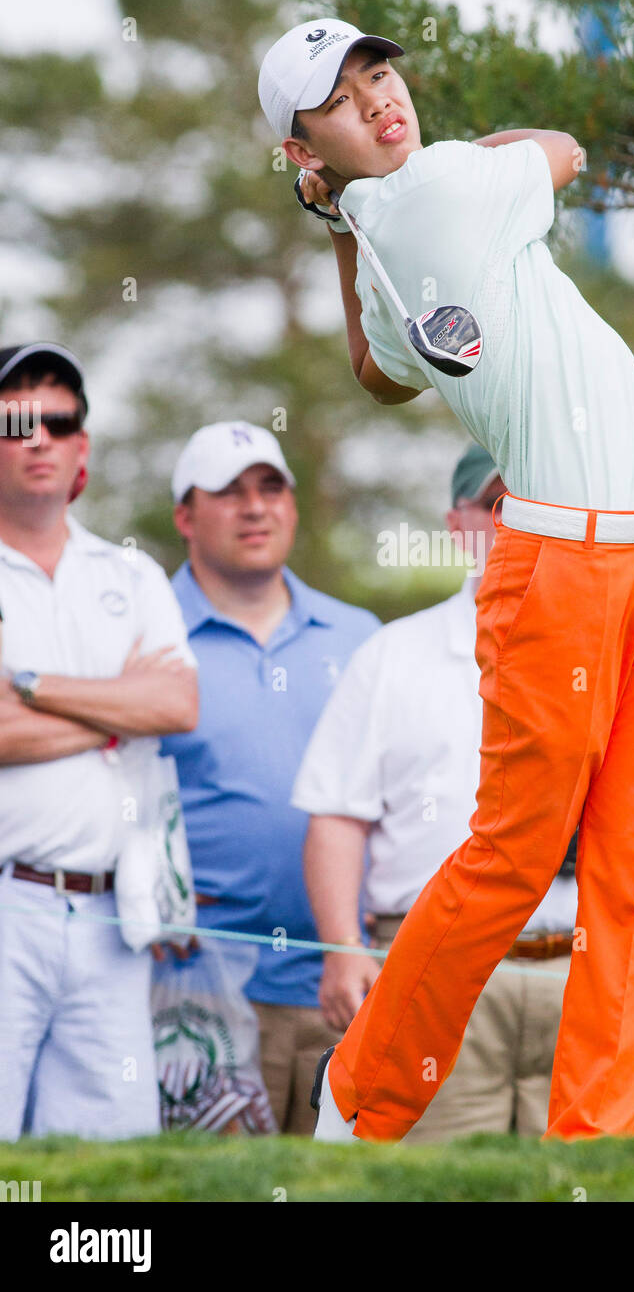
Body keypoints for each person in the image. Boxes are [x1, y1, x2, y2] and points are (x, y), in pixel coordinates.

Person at [258, 19, 634, 1141]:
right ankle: (359, 1099)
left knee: (631, 858)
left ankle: (595, 1143)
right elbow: (565, 146)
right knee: (516, 857)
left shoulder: (383, 239)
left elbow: (376, 377)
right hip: (569, 564)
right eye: (341, 97)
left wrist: (335, 220)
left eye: (380, 73)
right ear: (301, 149)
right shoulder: (442, 186)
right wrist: (404, 179)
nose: (381, 98)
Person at [293, 444, 612, 1140]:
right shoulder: (391, 655)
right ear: (456, 523)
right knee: (434, 1187)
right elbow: (336, 818)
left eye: (539, 501)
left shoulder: (614, 650)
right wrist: (343, 947)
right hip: (430, 971)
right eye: (500, 504)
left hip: (582, 975)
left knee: (595, 1188)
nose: (521, 520)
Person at [0, 342, 198, 1141]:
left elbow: (178, 703)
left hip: (116, 914)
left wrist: (29, 685)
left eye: (59, 421)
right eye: (18, 423)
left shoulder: (131, 575)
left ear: (83, 444)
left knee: (110, 1160)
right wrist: (119, 708)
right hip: (8, 902)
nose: (40, 437)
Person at [162, 421, 379, 1135]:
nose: (254, 507)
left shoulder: (360, 637)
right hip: (198, 989)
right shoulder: (146, 635)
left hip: (346, 986)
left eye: (269, 487)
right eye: (228, 493)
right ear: (185, 518)